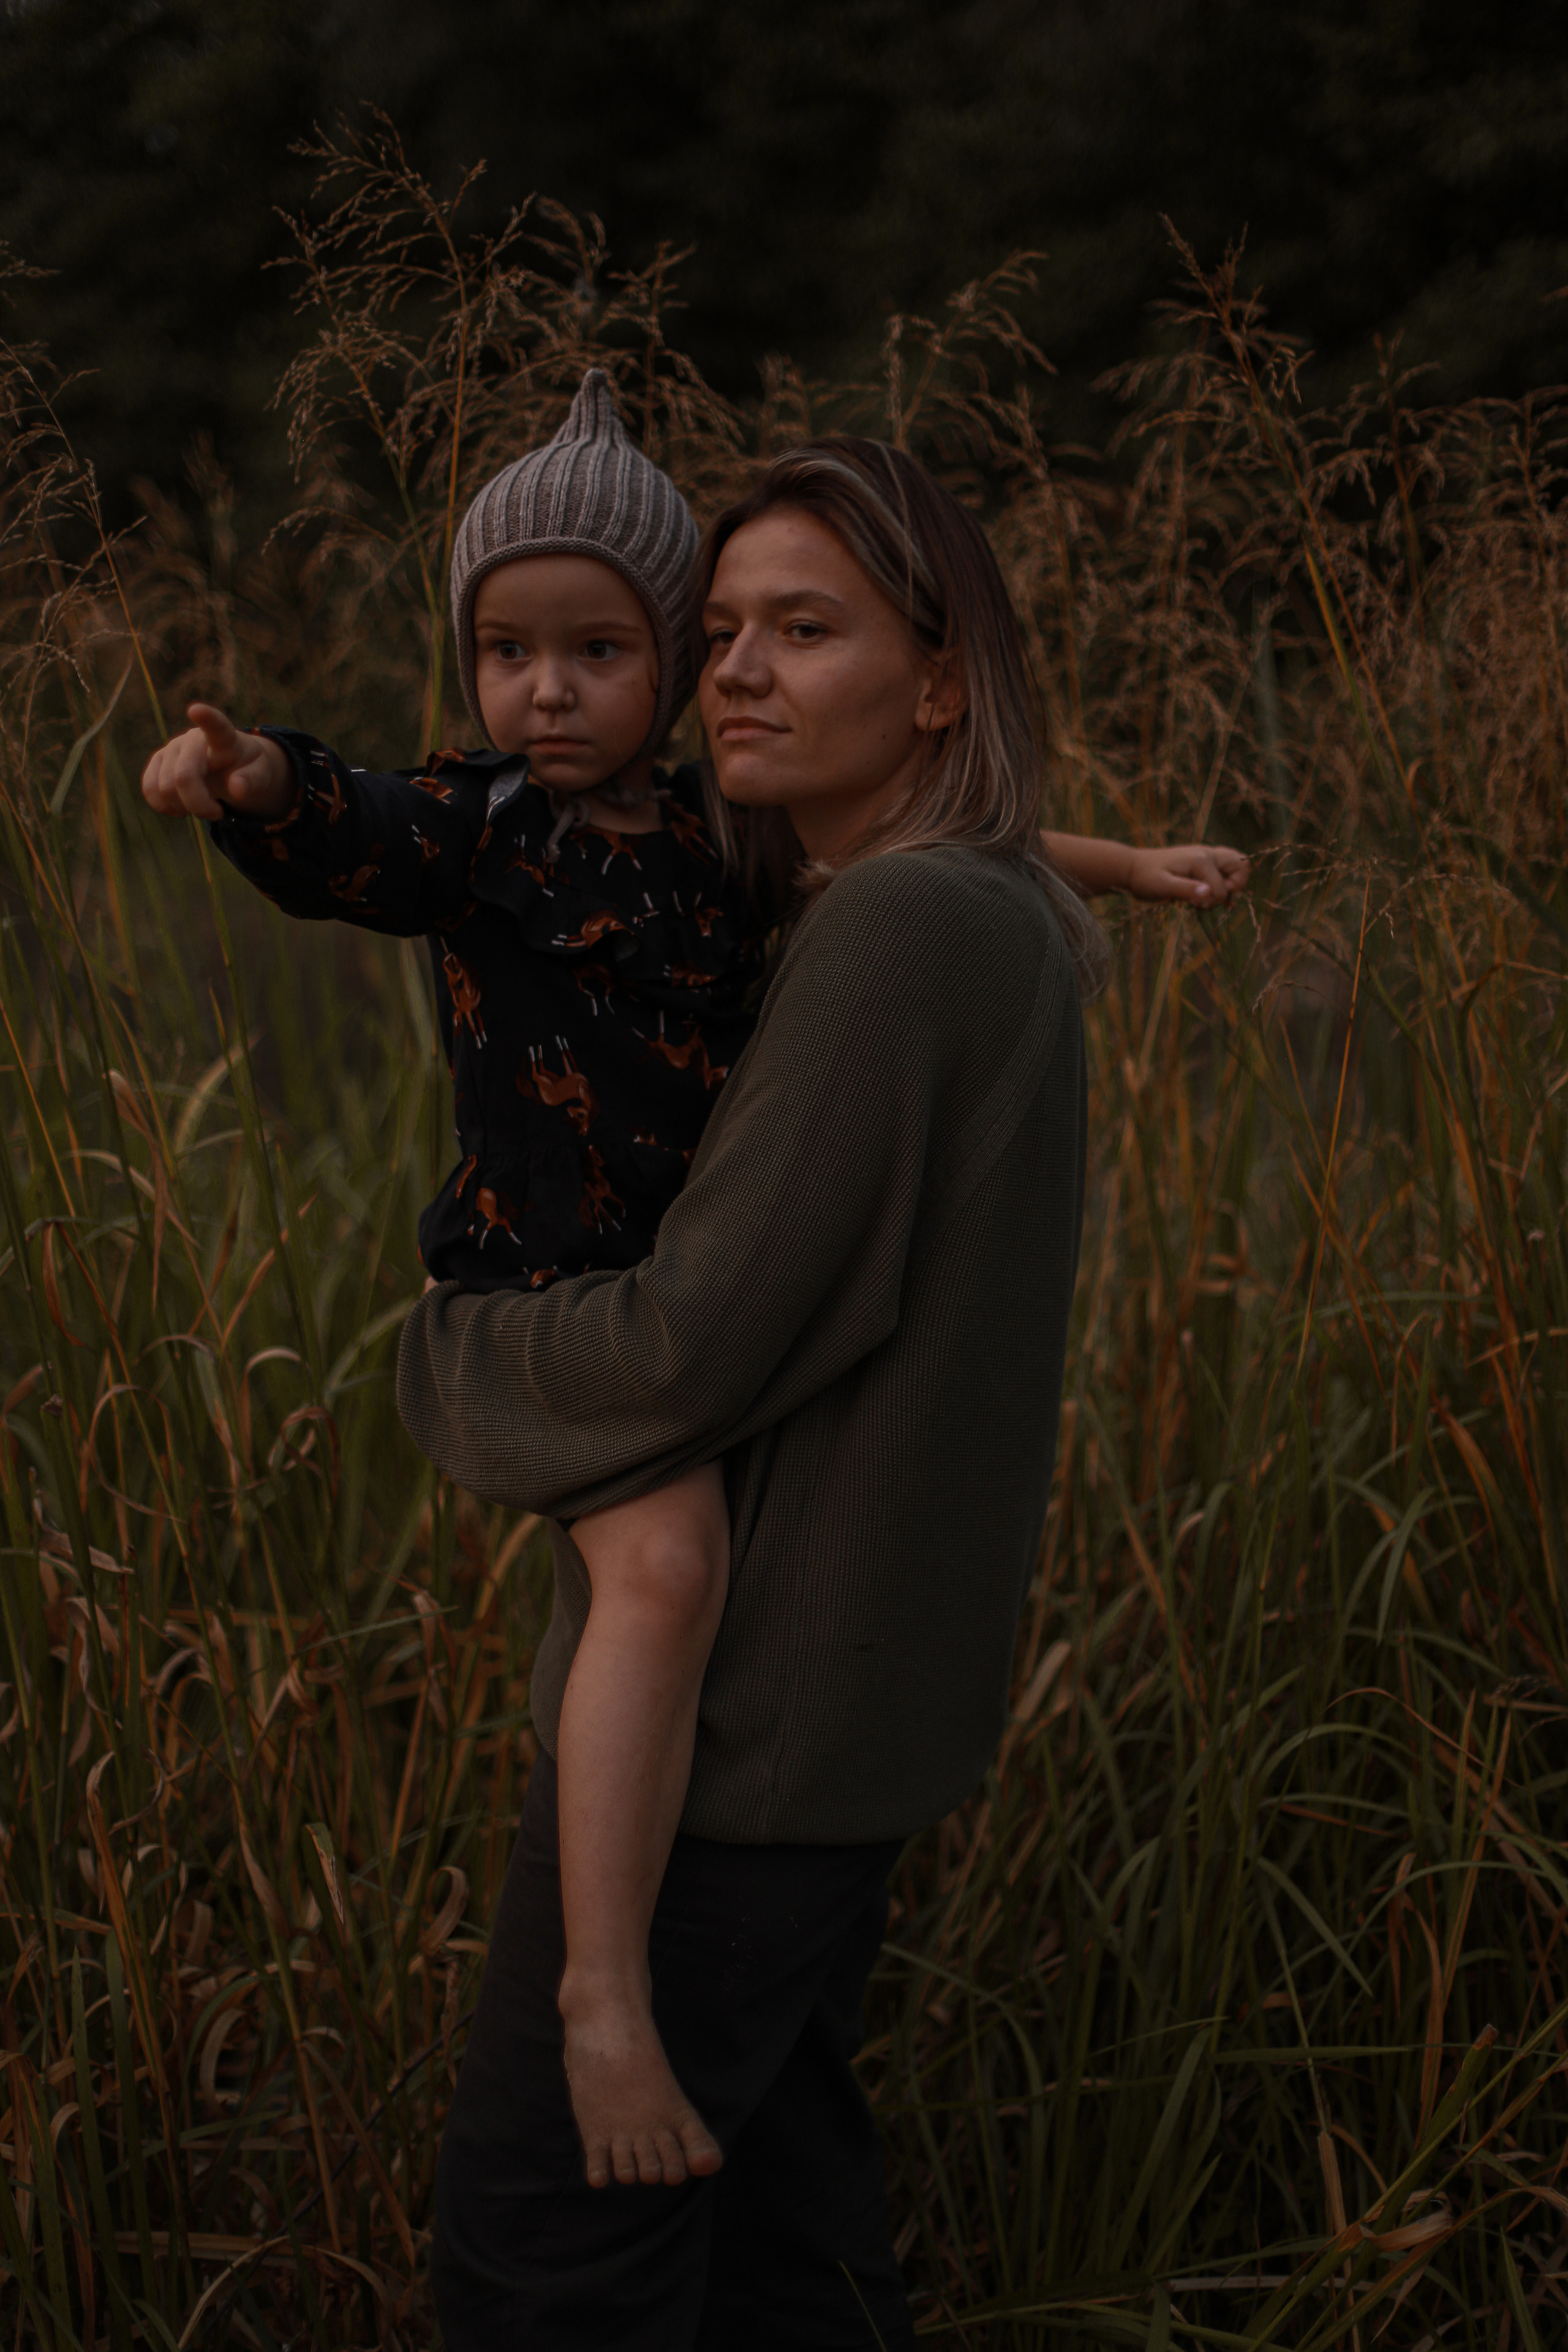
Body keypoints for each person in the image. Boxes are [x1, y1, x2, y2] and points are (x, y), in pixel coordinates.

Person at [141, 377, 1248, 2243]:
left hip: (749, 1734)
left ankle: (599, 1993)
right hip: (790, 1643)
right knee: (780, 2258)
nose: (729, 669)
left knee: (543, 2258)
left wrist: (451, 1359)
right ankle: (609, 1992)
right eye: (721, 629)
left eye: (793, 630)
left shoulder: (850, 908)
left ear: (941, 673)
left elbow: (689, 1348)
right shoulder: (767, 871)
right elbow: (361, 821)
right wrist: (242, 779)